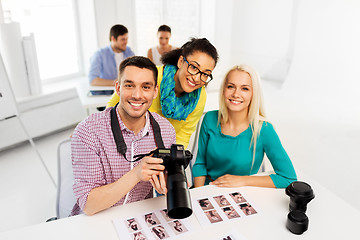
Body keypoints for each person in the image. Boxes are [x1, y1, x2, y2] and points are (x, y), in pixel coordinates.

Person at [71, 56, 176, 216]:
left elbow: (166, 183)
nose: (137, 95)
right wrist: (136, 174)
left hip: (138, 219)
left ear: (155, 91)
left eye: (146, 87)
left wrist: (169, 183)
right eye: (129, 85)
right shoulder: (88, 131)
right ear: (118, 88)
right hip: (95, 219)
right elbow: (88, 205)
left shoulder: (166, 131)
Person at [192, 64, 297, 188]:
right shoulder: (209, 119)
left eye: (245, 89)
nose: (236, 94)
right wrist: (198, 195)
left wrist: (243, 180)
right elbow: (200, 163)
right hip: (207, 189)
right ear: (224, 89)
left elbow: (288, 178)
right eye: (231, 87)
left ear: (254, 93)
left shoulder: (264, 129)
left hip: (242, 195)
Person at [107, 38, 219, 149]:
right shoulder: (151, 76)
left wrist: (173, 161)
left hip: (163, 152)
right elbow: (111, 108)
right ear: (180, 62)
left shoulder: (199, 97)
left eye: (205, 74)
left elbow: (183, 135)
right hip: (128, 144)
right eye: (194, 67)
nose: (196, 78)